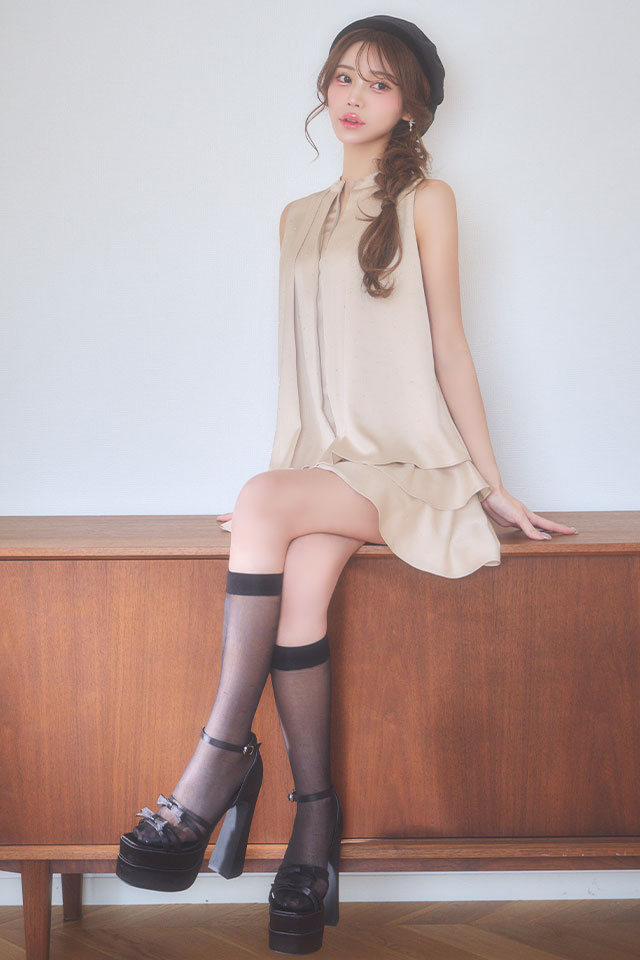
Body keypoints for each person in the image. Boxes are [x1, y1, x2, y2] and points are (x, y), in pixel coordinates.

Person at [115, 14, 578, 954]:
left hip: (410, 468)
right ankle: (315, 827)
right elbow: (303, 366)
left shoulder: (429, 200)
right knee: (299, 596)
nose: (354, 97)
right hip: (328, 469)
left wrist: (492, 483)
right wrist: (283, 494)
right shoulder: (295, 218)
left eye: (379, 82)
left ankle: (218, 762)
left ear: (412, 107)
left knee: (265, 507)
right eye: (343, 77)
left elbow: (450, 346)